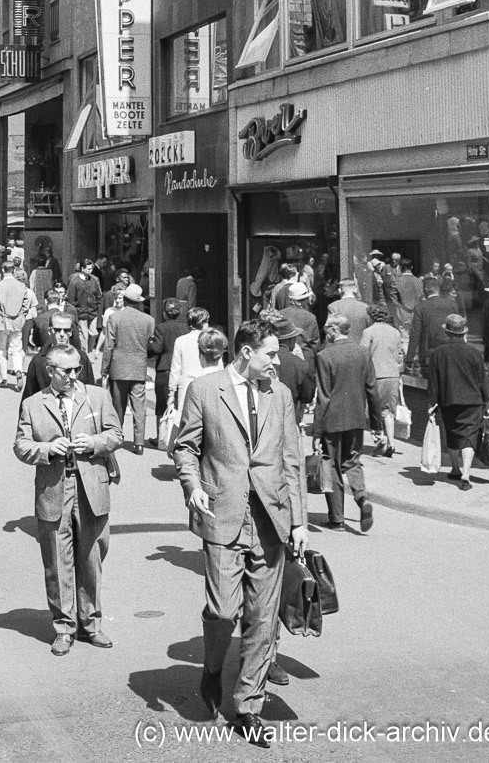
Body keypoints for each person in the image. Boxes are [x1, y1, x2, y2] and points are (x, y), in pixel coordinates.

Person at [173, 319, 307, 747]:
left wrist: (300, 521)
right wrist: (192, 486)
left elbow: (292, 458)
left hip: (271, 518)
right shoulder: (205, 389)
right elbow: (186, 446)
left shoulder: (280, 394)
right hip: (222, 512)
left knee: (262, 619)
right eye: (271, 353)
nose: (277, 360)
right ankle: (212, 669)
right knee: (222, 611)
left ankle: (249, 705)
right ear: (247, 352)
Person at [14, 344, 123, 656]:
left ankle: (92, 624)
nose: (74, 376)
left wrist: (96, 442)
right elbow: (21, 445)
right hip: (54, 488)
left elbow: (116, 434)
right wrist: (47, 449)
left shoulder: (97, 396)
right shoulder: (34, 404)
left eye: (78, 369)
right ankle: (64, 627)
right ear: (50, 371)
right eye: (67, 371)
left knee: (91, 557)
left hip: (91, 487)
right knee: (57, 561)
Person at [313, 314, 382, 532]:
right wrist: (377, 424)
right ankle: (361, 497)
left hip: (332, 421)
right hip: (355, 418)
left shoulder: (324, 356)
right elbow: (372, 389)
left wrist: (316, 431)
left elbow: (323, 397)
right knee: (353, 461)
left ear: (334, 330)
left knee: (329, 466)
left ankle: (337, 519)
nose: (325, 333)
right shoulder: (363, 353)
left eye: (326, 329)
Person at [427, 314, 489, 491]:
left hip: (449, 401)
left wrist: (432, 403)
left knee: (453, 435)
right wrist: (487, 402)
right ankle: (466, 473)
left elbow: (433, 381)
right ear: (463, 332)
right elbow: (482, 380)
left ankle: (455, 468)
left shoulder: (438, 353)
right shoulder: (474, 353)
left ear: (447, 332)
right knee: (469, 438)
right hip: (473, 402)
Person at [101, 284, 155, 455]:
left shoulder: (115, 318)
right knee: (139, 406)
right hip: (138, 367)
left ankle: (118, 436)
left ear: (124, 299)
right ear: (139, 302)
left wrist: (104, 369)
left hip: (118, 367)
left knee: (118, 405)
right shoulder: (148, 320)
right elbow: (150, 345)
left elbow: (108, 346)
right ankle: (139, 443)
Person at [22, 310, 95, 403]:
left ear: (71, 332)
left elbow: (91, 391)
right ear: (50, 331)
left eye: (66, 330)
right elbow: (28, 398)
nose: (61, 334)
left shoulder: (81, 358)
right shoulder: (38, 362)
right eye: (57, 330)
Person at [361, 306, 404, 457]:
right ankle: (391, 443)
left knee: (374, 411)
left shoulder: (368, 332)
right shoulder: (395, 332)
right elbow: (399, 355)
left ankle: (380, 442)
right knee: (389, 411)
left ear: (371, 317)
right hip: (392, 375)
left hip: (375, 375)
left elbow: (363, 355)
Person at [148, 298, 189, 448]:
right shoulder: (186, 328)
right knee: (180, 404)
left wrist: (149, 346)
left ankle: (162, 438)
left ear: (165, 313)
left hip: (165, 369)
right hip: (183, 370)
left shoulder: (161, 328)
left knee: (162, 406)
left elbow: (157, 349)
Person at [0, 260, 32, 390]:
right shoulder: (21, 286)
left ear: (3, 271)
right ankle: (18, 370)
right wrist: (22, 315)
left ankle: (4, 378)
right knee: (16, 349)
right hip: (17, 321)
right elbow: (26, 304)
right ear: (14, 270)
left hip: (2, 321)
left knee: (1, 351)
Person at [406, 277, 459, 375]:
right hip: (450, 353)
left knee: (430, 385)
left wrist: (409, 358)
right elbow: (457, 329)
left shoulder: (420, 308)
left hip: (428, 355)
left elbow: (415, 334)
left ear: (425, 289)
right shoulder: (452, 305)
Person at [168, 307, 210, 424]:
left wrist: (171, 392)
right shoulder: (210, 340)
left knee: (185, 420)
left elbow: (175, 368)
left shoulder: (180, 341)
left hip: (185, 385)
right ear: (203, 323)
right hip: (206, 384)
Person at [270, 314, 314, 425]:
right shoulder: (299, 364)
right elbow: (308, 396)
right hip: (289, 418)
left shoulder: (260, 359)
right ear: (290, 340)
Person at [67, 259, 102, 352]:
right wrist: (75, 311)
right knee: (84, 336)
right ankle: (85, 355)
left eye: (91, 269)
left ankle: (89, 351)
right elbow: (70, 298)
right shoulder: (75, 281)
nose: (91, 271)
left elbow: (98, 296)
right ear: (83, 269)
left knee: (94, 333)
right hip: (81, 313)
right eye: (89, 269)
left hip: (92, 313)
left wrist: (98, 310)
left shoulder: (94, 281)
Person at [326, 279, 370, 343]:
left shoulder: (333, 306)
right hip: (361, 347)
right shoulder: (365, 307)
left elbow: (331, 331)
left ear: (340, 290)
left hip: (341, 347)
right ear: (355, 290)